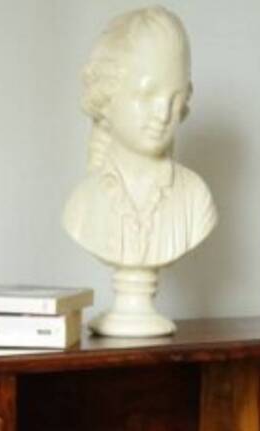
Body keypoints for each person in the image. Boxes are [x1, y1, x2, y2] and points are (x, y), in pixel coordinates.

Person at [62, 6, 216, 271]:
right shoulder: (82, 205)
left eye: (175, 97)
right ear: (107, 94)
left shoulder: (196, 199)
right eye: (147, 94)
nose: (164, 112)